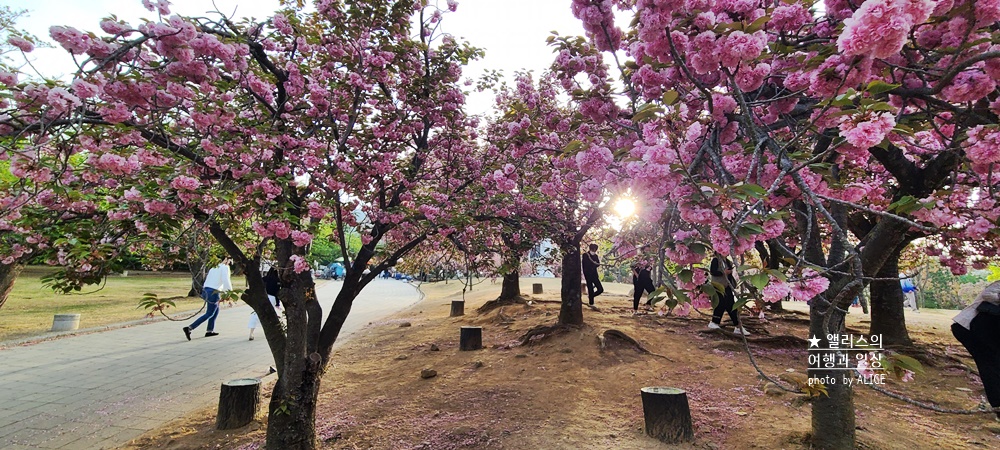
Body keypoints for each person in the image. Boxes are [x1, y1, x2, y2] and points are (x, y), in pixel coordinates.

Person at [952, 281, 1000, 420]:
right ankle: (997, 403)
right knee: (989, 363)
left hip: (987, 331)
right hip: (970, 329)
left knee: (991, 363)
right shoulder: (997, 286)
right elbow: (988, 294)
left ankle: (996, 402)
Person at [183, 258, 233, 340]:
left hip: (206, 290)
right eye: (230, 261)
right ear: (227, 260)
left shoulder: (214, 267)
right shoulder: (225, 267)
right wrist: (229, 292)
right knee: (210, 313)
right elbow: (226, 280)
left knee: (215, 311)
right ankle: (189, 328)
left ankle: (210, 330)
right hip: (214, 292)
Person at [708, 254, 749, 335]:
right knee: (720, 304)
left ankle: (737, 326)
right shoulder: (715, 260)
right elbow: (713, 272)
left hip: (727, 286)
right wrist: (724, 272)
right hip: (718, 286)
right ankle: (714, 322)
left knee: (731, 305)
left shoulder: (727, 261)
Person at [248, 267, 282, 341]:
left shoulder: (263, 279)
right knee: (272, 314)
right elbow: (277, 293)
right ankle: (274, 331)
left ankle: (251, 332)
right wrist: (277, 303)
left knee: (256, 314)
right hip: (272, 298)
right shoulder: (277, 281)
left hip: (262, 297)